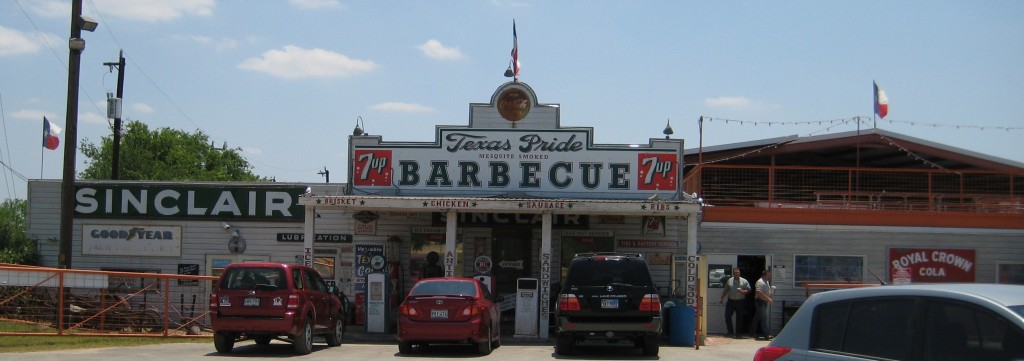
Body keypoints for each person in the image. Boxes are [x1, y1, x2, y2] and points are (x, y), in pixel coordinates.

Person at [718, 267, 751, 338]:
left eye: (737, 272)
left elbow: (749, 290)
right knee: (727, 316)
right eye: (735, 272)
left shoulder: (744, 281)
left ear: (740, 273)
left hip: (740, 302)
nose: (736, 274)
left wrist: (742, 291)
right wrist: (721, 298)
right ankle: (730, 332)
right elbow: (726, 290)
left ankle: (738, 334)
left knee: (740, 318)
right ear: (733, 273)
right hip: (731, 301)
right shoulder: (729, 280)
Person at [749, 269, 774, 340]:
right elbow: (758, 293)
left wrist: (770, 295)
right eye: (768, 275)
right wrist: (768, 299)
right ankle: (767, 334)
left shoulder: (766, 282)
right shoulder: (760, 282)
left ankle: (752, 333)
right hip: (760, 302)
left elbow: (765, 291)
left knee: (757, 318)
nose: (769, 276)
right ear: (764, 275)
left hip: (764, 301)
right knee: (764, 317)